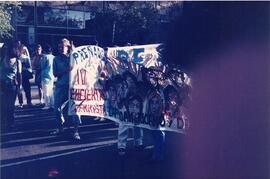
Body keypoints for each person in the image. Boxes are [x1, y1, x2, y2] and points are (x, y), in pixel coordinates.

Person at [52, 38, 81, 140]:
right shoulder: (56, 59)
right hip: (61, 87)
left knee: (76, 109)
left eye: (62, 47)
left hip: (74, 87)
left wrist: (74, 51)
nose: (60, 49)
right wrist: (67, 70)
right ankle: (60, 127)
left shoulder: (74, 57)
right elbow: (55, 74)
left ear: (68, 47)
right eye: (59, 47)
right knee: (57, 109)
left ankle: (76, 131)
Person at [117, 72, 143, 156]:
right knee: (123, 126)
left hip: (136, 109)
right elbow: (119, 99)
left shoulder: (137, 88)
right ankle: (121, 145)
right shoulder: (122, 88)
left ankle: (138, 143)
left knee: (137, 126)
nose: (129, 81)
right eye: (128, 80)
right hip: (125, 109)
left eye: (131, 80)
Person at [0, 41, 22, 132]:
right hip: (1, 84)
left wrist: (19, 88)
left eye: (16, 48)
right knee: (2, 105)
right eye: (13, 48)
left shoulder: (18, 62)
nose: (15, 50)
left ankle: (10, 124)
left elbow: (19, 75)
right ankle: (2, 124)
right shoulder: (1, 59)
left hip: (12, 85)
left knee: (10, 106)